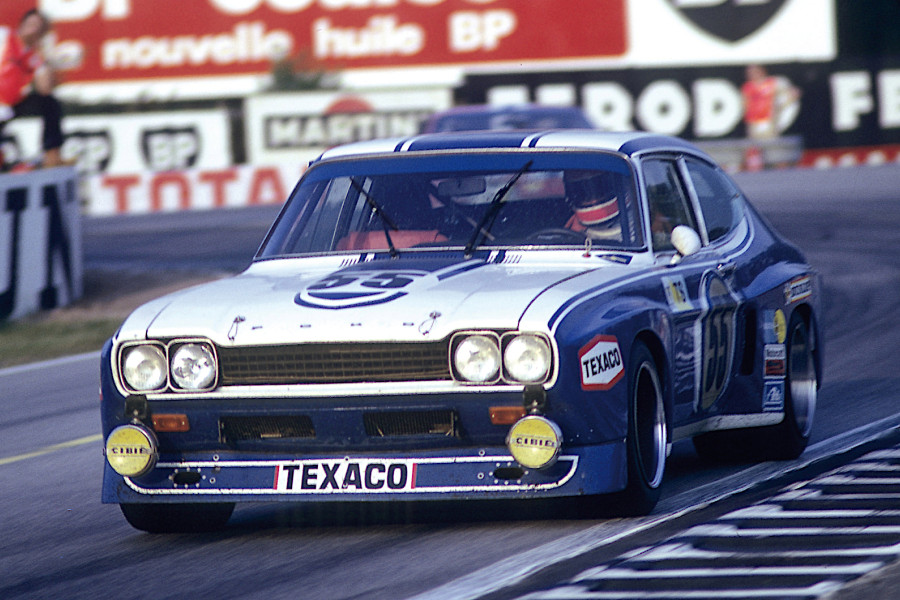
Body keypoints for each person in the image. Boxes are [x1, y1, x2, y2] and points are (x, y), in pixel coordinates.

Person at [0, 9, 64, 169]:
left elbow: (45, 89)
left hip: (12, 104)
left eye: (38, 27)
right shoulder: (4, 37)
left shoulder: (34, 56)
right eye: (31, 24)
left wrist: (44, 55)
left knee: (50, 103)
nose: (32, 29)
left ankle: (52, 154)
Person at [563, 170, 623, 242]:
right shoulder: (574, 226)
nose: (593, 201)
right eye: (581, 192)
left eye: (599, 188)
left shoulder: (631, 224)